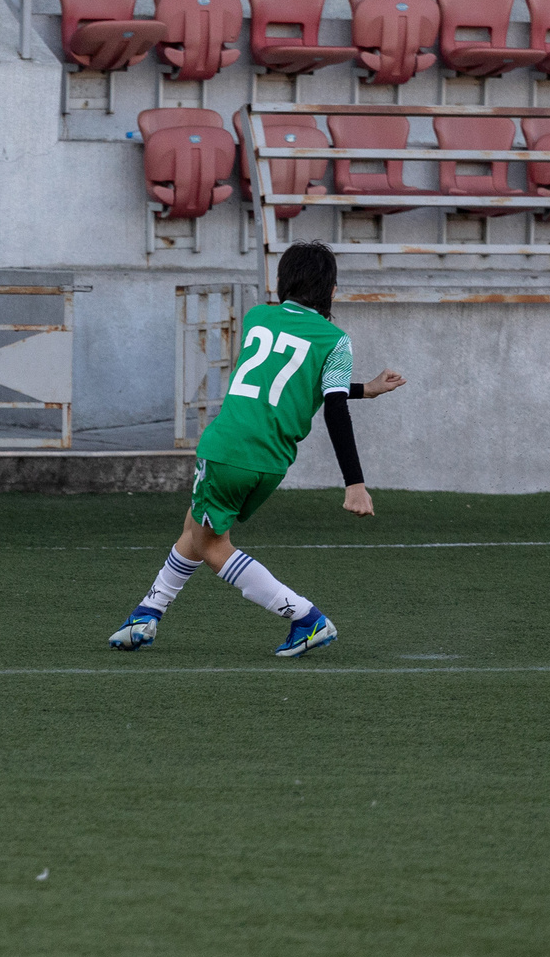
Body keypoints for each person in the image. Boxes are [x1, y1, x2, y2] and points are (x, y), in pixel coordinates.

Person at [111, 243, 405, 657]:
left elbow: (279, 376)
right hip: (271, 460)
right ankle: (146, 615)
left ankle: (307, 618)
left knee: (213, 545)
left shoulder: (257, 317)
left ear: (281, 284)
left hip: (229, 447)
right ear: (333, 291)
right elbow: (328, 402)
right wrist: (366, 394)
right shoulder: (336, 341)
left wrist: (356, 483)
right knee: (196, 526)